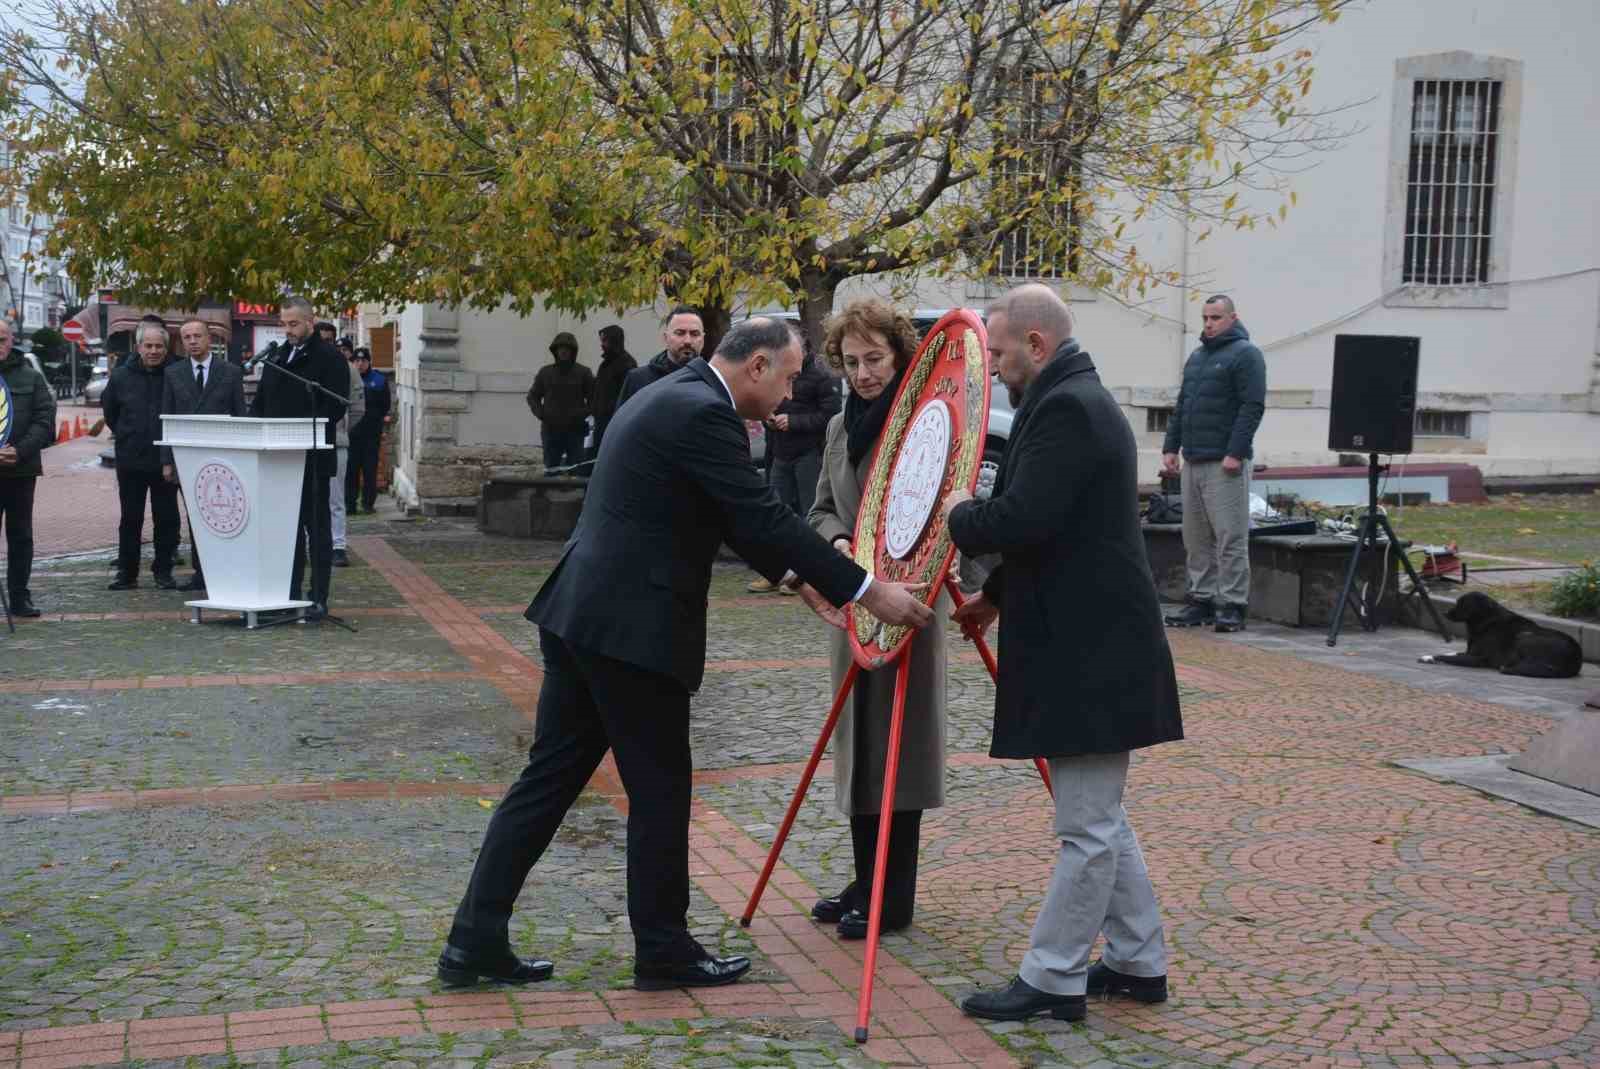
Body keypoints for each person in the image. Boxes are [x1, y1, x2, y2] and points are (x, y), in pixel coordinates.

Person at [437, 317, 935, 992]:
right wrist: (868, 591)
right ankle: (664, 947)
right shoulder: (706, 414)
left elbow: (719, 512)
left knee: (547, 780)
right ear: (757, 365)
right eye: (788, 378)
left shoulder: (673, 394)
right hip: (632, 631)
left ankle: (473, 938)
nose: (790, 395)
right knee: (660, 790)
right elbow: (760, 514)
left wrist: (799, 581)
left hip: (582, 614)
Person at [943, 284, 1182, 1024]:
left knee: (1086, 828)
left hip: (1092, 651)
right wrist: (1001, 594)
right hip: (1092, 643)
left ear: (1036, 347)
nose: (999, 364)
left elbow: (1024, 515)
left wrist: (950, 511)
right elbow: (1069, 531)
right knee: (1100, 815)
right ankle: (1139, 961)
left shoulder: (1069, 407)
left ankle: (1051, 976)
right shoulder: (1072, 399)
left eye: (1003, 350)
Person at [805, 299, 947, 938]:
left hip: (909, 601)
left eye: (875, 360)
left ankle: (894, 895)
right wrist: (836, 547)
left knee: (900, 748)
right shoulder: (840, 427)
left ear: (900, 357)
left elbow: (948, 509)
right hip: (855, 601)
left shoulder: (926, 423)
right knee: (859, 747)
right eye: (851, 361)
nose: (863, 373)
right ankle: (867, 878)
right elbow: (821, 509)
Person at [1160, 294, 1266, 633]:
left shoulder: (1247, 355)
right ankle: (1201, 599)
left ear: (1233, 318)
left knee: (1229, 537)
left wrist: (1235, 452)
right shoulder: (1197, 357)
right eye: (1205, 317)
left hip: (1225, 463)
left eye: (1216, 317)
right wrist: (1170, 446)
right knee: (1196, 537)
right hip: (1193, 458)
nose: (1208, 323)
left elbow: (1252, 406)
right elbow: (1183, 404)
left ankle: (1233, 604)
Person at [250, 296, 349, 619]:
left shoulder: (329, 358)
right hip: (278, 460)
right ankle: (287, 594)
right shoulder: (278, 356)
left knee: (316, 530)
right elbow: (262, 401)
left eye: (293, 323)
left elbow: (335, 406)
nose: (288, 329)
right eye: (284, 324)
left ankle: (318, 595)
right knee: (285, 531)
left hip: (312, 459)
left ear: (310, 321)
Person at [161, 317, 247, 593]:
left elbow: (240, 416)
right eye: (187, 337)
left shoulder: (230, 372)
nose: (193, 341)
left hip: (224, 456)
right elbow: (167, 417)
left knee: (227, 513)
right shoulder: (173, 373)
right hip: (188, 457)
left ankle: (228, 568)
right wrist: (167, 460)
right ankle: (202, 572)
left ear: (209, 339)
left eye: (198, 336)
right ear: (181, 341)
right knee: (197, 515)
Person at [749, 338, 840, 593]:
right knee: (776, 513)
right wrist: (767, 416)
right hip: (780, 452)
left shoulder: (821, 376)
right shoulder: (776, 370)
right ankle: (775, 572)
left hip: (808, 454)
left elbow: (831, 415)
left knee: (809, 515)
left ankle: (808, 574)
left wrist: (795, 421)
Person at [103, 322, 180, 590]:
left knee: (167, 519)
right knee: (130, 519)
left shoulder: (174, 373)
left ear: (166, 348)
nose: (154, 351)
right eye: (148, 346)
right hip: (130, 458)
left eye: (159, 346)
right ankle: (127, 573)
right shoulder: (121, 376)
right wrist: (127, 435)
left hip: (164, 460)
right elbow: (110, 412)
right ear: (138, 347)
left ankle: (163, 571)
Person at [0, 318, 56, 617]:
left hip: (20, 471)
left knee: (20, 536)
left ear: (12, 340)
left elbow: (44, 421)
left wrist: (19, 451)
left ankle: (20, 596)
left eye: (2, 339)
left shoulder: (30, 378)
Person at [526, 332, 594, 474]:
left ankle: (576, 496)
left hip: (575, 430)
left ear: (572, 351)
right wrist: (542, 413)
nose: (563, 351)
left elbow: (595, 399)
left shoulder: (583, 373)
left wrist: (581, 414)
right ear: (555, 350)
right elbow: (533, 396)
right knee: (551, 468)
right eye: (560, 348)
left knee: (577, 468)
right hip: (551, 429)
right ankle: (548, 495)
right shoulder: (545, 373)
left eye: (567, 348)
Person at [614, 306, 703, 409]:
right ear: (666, 338)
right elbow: (621, 423)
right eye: (680, 333)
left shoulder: (712, 381)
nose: (688, 340)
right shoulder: (638, 380)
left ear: (703, 339)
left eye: (695, 334)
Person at [329, 347, 366, 567]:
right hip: (305, 442)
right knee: (306, 500)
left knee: (336, 499)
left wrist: (341, 431)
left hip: (336, 442)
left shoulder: (347, 369)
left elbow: (357, 408)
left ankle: (338, 546)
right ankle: (305, 546)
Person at [346, 347, 390, 514]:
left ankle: (368, 504)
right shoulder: (348, 379)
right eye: (356, 361)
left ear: (369, 362)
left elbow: (385, 405)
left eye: (363, 361)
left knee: (370, 469)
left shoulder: (378, 380)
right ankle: (350, 504)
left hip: (371, 432)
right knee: (351, 470)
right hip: (352, 432)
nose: (360, 364)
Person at [590, 324, 635, 459]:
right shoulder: (604, 365)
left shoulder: (627, 364)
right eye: (601, 341)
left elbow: (628, 396)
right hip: (601, 423)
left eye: (605, 340)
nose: (602, 344)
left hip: (616, 423)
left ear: (614, 340)